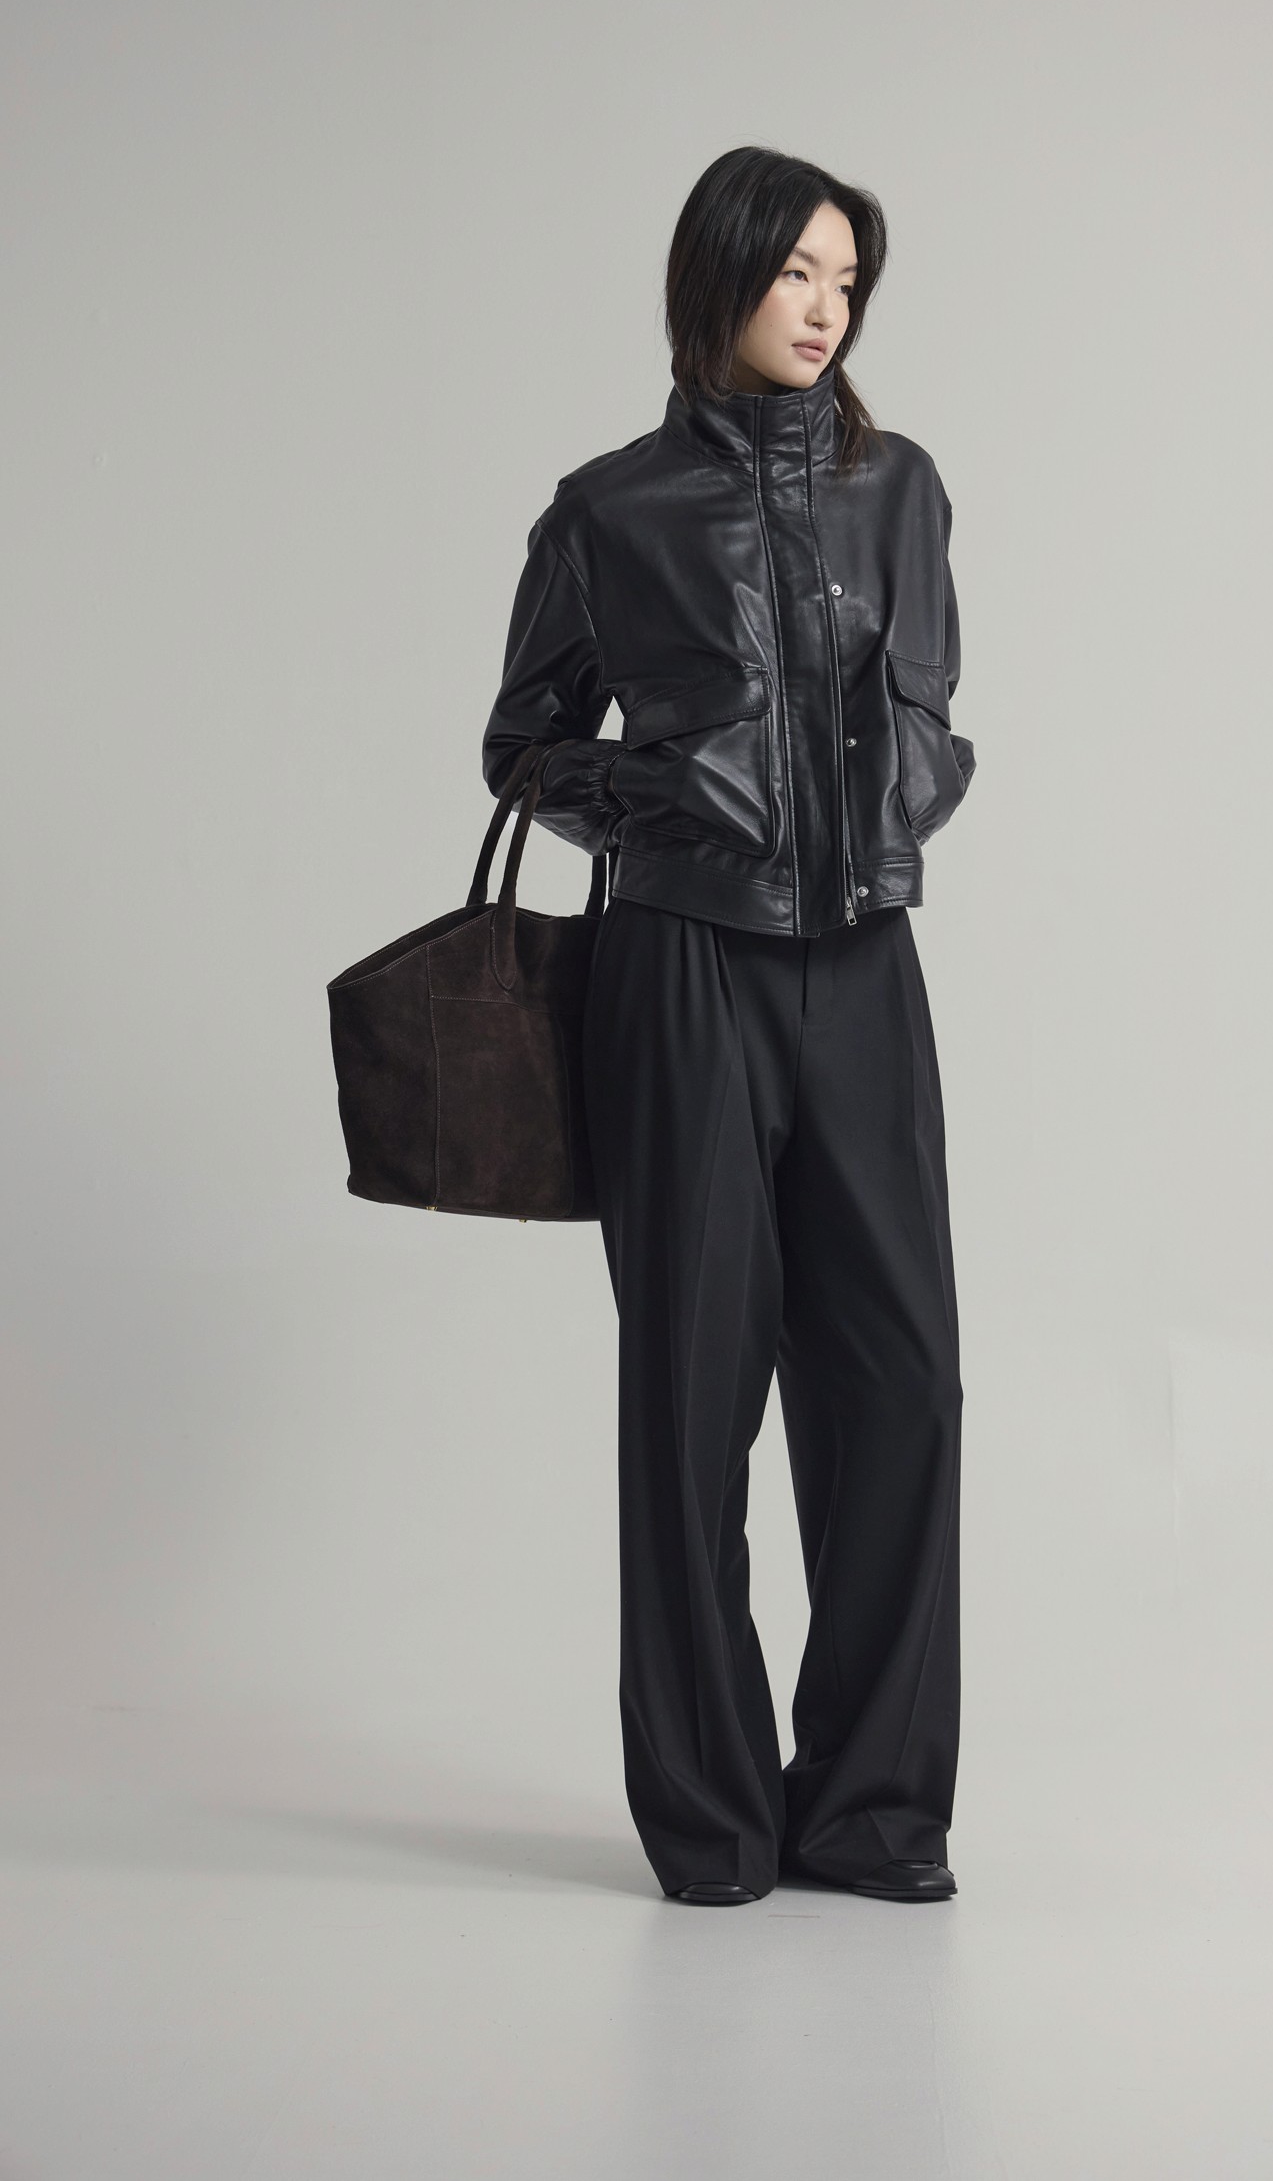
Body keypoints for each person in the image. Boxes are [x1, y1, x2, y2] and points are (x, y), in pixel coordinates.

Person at [482, 147, 976, 1906]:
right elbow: (522, 745)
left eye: (848, 279)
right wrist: (669, 796)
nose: (826, 307)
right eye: (796, 274)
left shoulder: (900, 486)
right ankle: (710, 1819)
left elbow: (935, 711)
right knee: (695, 1399)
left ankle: (870, 1813)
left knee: (901, 1385)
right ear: (722, 279)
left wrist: (915, 785)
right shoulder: (608, 511)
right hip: (681, 973)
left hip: (864, 974)